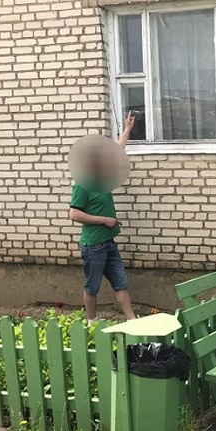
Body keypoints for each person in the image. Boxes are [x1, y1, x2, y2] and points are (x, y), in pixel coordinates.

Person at [69, 112, 137, 323]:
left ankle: (132, 320)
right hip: (93, 246)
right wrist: (104, 220)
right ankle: (92, 322)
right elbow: (74, 214)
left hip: (108, 243)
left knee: (121, 283)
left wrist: (127, 130)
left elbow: (117, 152)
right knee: (92, 286)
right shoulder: (82, 185)